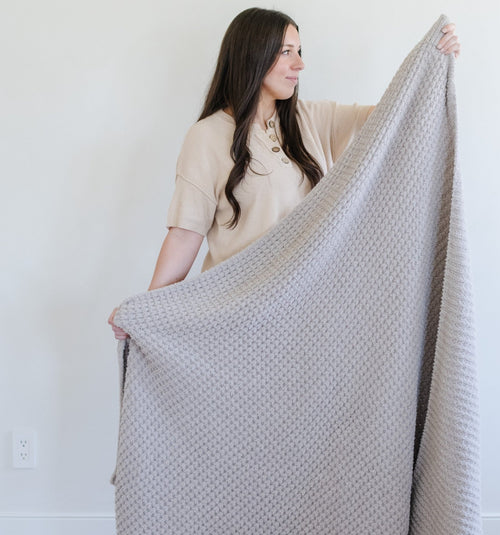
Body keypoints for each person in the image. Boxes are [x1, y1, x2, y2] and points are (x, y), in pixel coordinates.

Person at [109, 7, 460, 340]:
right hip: (239, 317)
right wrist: (148, 311)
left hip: (312, 314)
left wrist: (432, 63)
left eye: (299, 50)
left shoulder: (312, 119)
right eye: (287, 52)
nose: (300, 64)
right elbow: (185, 235)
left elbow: (397, 115)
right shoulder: (208, 136)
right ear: (254, 55)